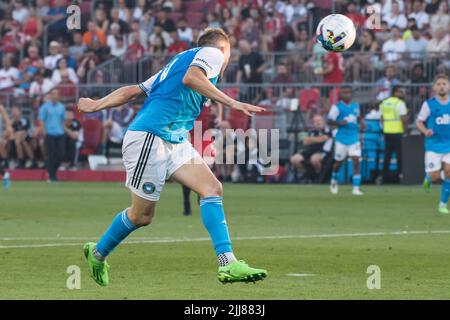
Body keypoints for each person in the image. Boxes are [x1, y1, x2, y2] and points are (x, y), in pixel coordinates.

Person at [77, 28, 267, 286]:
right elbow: (192, 78)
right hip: (150, 138)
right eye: (229, 54)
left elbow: (134, 90)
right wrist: (232, 103)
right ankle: (97, 253)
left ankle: (228, 263)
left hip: (174, 139)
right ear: (224, 48)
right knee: (141, 216)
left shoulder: (178, 61)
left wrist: (97, 104)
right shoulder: (214, 53)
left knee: (211, 188)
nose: (228, 60)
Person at [416, 74, 450, 214]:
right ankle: (429, 178)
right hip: (433, 146)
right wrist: (425, 131)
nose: (442, 86)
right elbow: (419, 122)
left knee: (449, 172)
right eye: (439, 84)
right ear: (434, 88)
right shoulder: (428, 104)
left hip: (449, 145)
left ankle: (442, 204)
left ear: (448, 86)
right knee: (436, 176)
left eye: (444, 83)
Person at [327, 86, 364, 196]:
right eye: (344, 93)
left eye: (348, 93)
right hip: (341, 139)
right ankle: (334, 180)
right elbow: (329, 121)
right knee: (338, 163)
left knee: (356, 161)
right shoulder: (337, 107)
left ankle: (356, 188)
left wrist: (362, 123)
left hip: (354, 137)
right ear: (341, 95)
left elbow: (358, 117)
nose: (347, 95)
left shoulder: (356, 106)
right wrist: (339, 123)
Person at [290, 114, 332, 182]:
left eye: (319, 120)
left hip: (322, 152)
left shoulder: (327, 130)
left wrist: (312, 139)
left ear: (323, 121)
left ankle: (319, 177)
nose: (318, 123)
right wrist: (318, 139)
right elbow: (305, 142)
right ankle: (310, 173)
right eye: (316, 121)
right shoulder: (311, 131)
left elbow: (325, 138)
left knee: (314, 159)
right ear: (313, 123)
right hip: (309, 151)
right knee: (294, 159)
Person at [380, 86, 408, 184]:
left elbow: (382, 118)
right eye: (400, 92)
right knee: (400, 156)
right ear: (395, 92)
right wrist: (405, 131)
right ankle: (399, 177)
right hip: (397, 132)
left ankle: (384, 178)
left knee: (387, 156)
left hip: (387, 132)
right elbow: (404, 119)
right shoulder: (400, 103)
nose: (402, 94)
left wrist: (384, 129)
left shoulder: (384, 102)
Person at [38, 88, 66, 182]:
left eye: (57, 94)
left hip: (60, 133)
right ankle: (52, 176)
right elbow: (41, 120)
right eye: (53, 94)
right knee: (51, 155)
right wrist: (44, 131)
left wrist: (64, 130)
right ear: (50, 95)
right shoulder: (45, 107)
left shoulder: (61, 107)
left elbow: (62, 120)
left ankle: (52, 173)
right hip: (49, 133)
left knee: (61, 154)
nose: (55, 95)